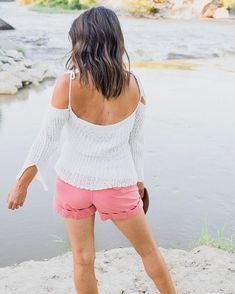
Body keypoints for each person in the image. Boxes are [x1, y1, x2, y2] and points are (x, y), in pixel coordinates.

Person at [6, 6, 176, 294]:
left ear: (82, 43)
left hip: (73, 184)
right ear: (115, 41)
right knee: (148, 251)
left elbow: (46, 139)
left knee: (83, 261)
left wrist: (21, 184)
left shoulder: (68, 84)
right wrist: (138, 182)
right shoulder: (134, 84)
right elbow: (136, 142)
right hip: (118, 185)